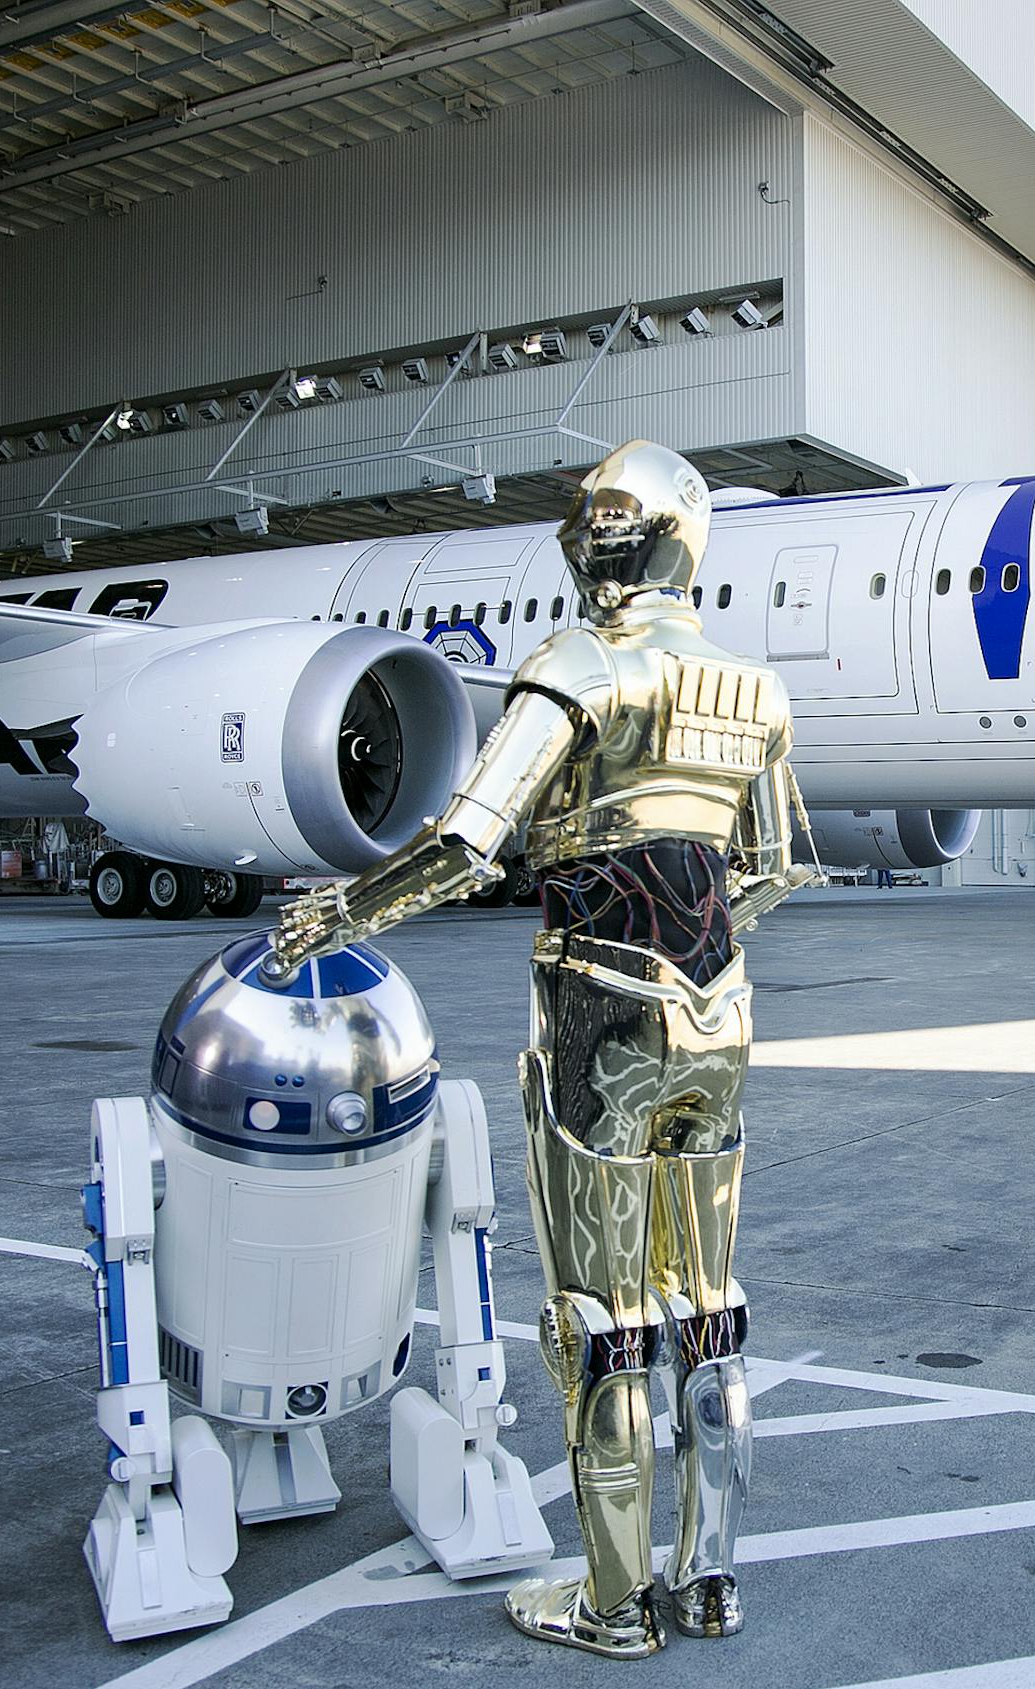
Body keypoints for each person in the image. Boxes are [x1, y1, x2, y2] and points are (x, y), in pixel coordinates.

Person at [266, 441, 812, 1659]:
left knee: (600, 1312)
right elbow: (772, 868)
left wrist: (337, 914)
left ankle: (615, 1602)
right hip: (719, 1012)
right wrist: (692, 942)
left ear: (659, 528)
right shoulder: (756, 691)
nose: (588, 530)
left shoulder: (577, 662)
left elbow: (467, 846)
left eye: (608, 511)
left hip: (598, 1005)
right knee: (709, 1302)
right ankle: (709, 1580)